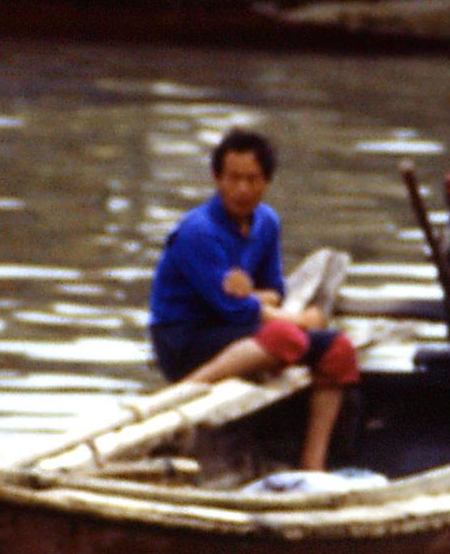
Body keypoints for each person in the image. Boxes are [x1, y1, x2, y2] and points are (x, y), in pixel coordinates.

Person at [149, 127, 358, 471]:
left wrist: (255, 295)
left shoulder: (266, 222)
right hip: (184, 337)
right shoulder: (198, 231)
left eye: (252, 179)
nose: (242, 189)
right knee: (288, 336)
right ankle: (183, 393)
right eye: (233, 178)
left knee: (339, 351)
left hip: (239, 330)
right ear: (217, 179)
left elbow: (275, 290)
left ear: (266, 182)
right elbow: (232, 308)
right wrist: (302, 320)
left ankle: (313, 465)